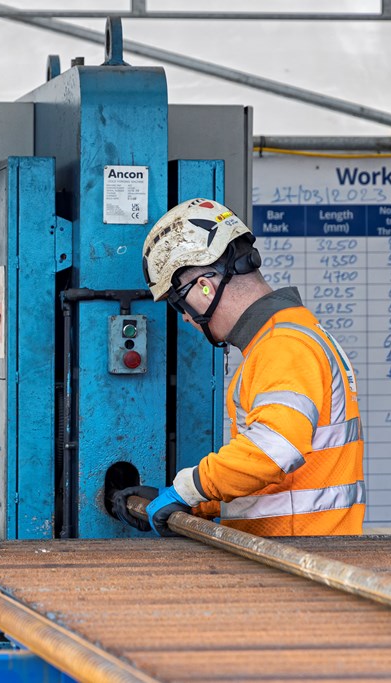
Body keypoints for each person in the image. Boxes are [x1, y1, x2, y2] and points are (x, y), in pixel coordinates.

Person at [112, 198, 364, 537]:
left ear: (204, 287)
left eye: (178, 304)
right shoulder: (289, 336)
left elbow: (270, 452)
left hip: (298, 560)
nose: (186, 318)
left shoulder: (282, 346)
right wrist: (194, 503)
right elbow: (276, 477)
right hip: (299, 552)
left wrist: (186, 489)